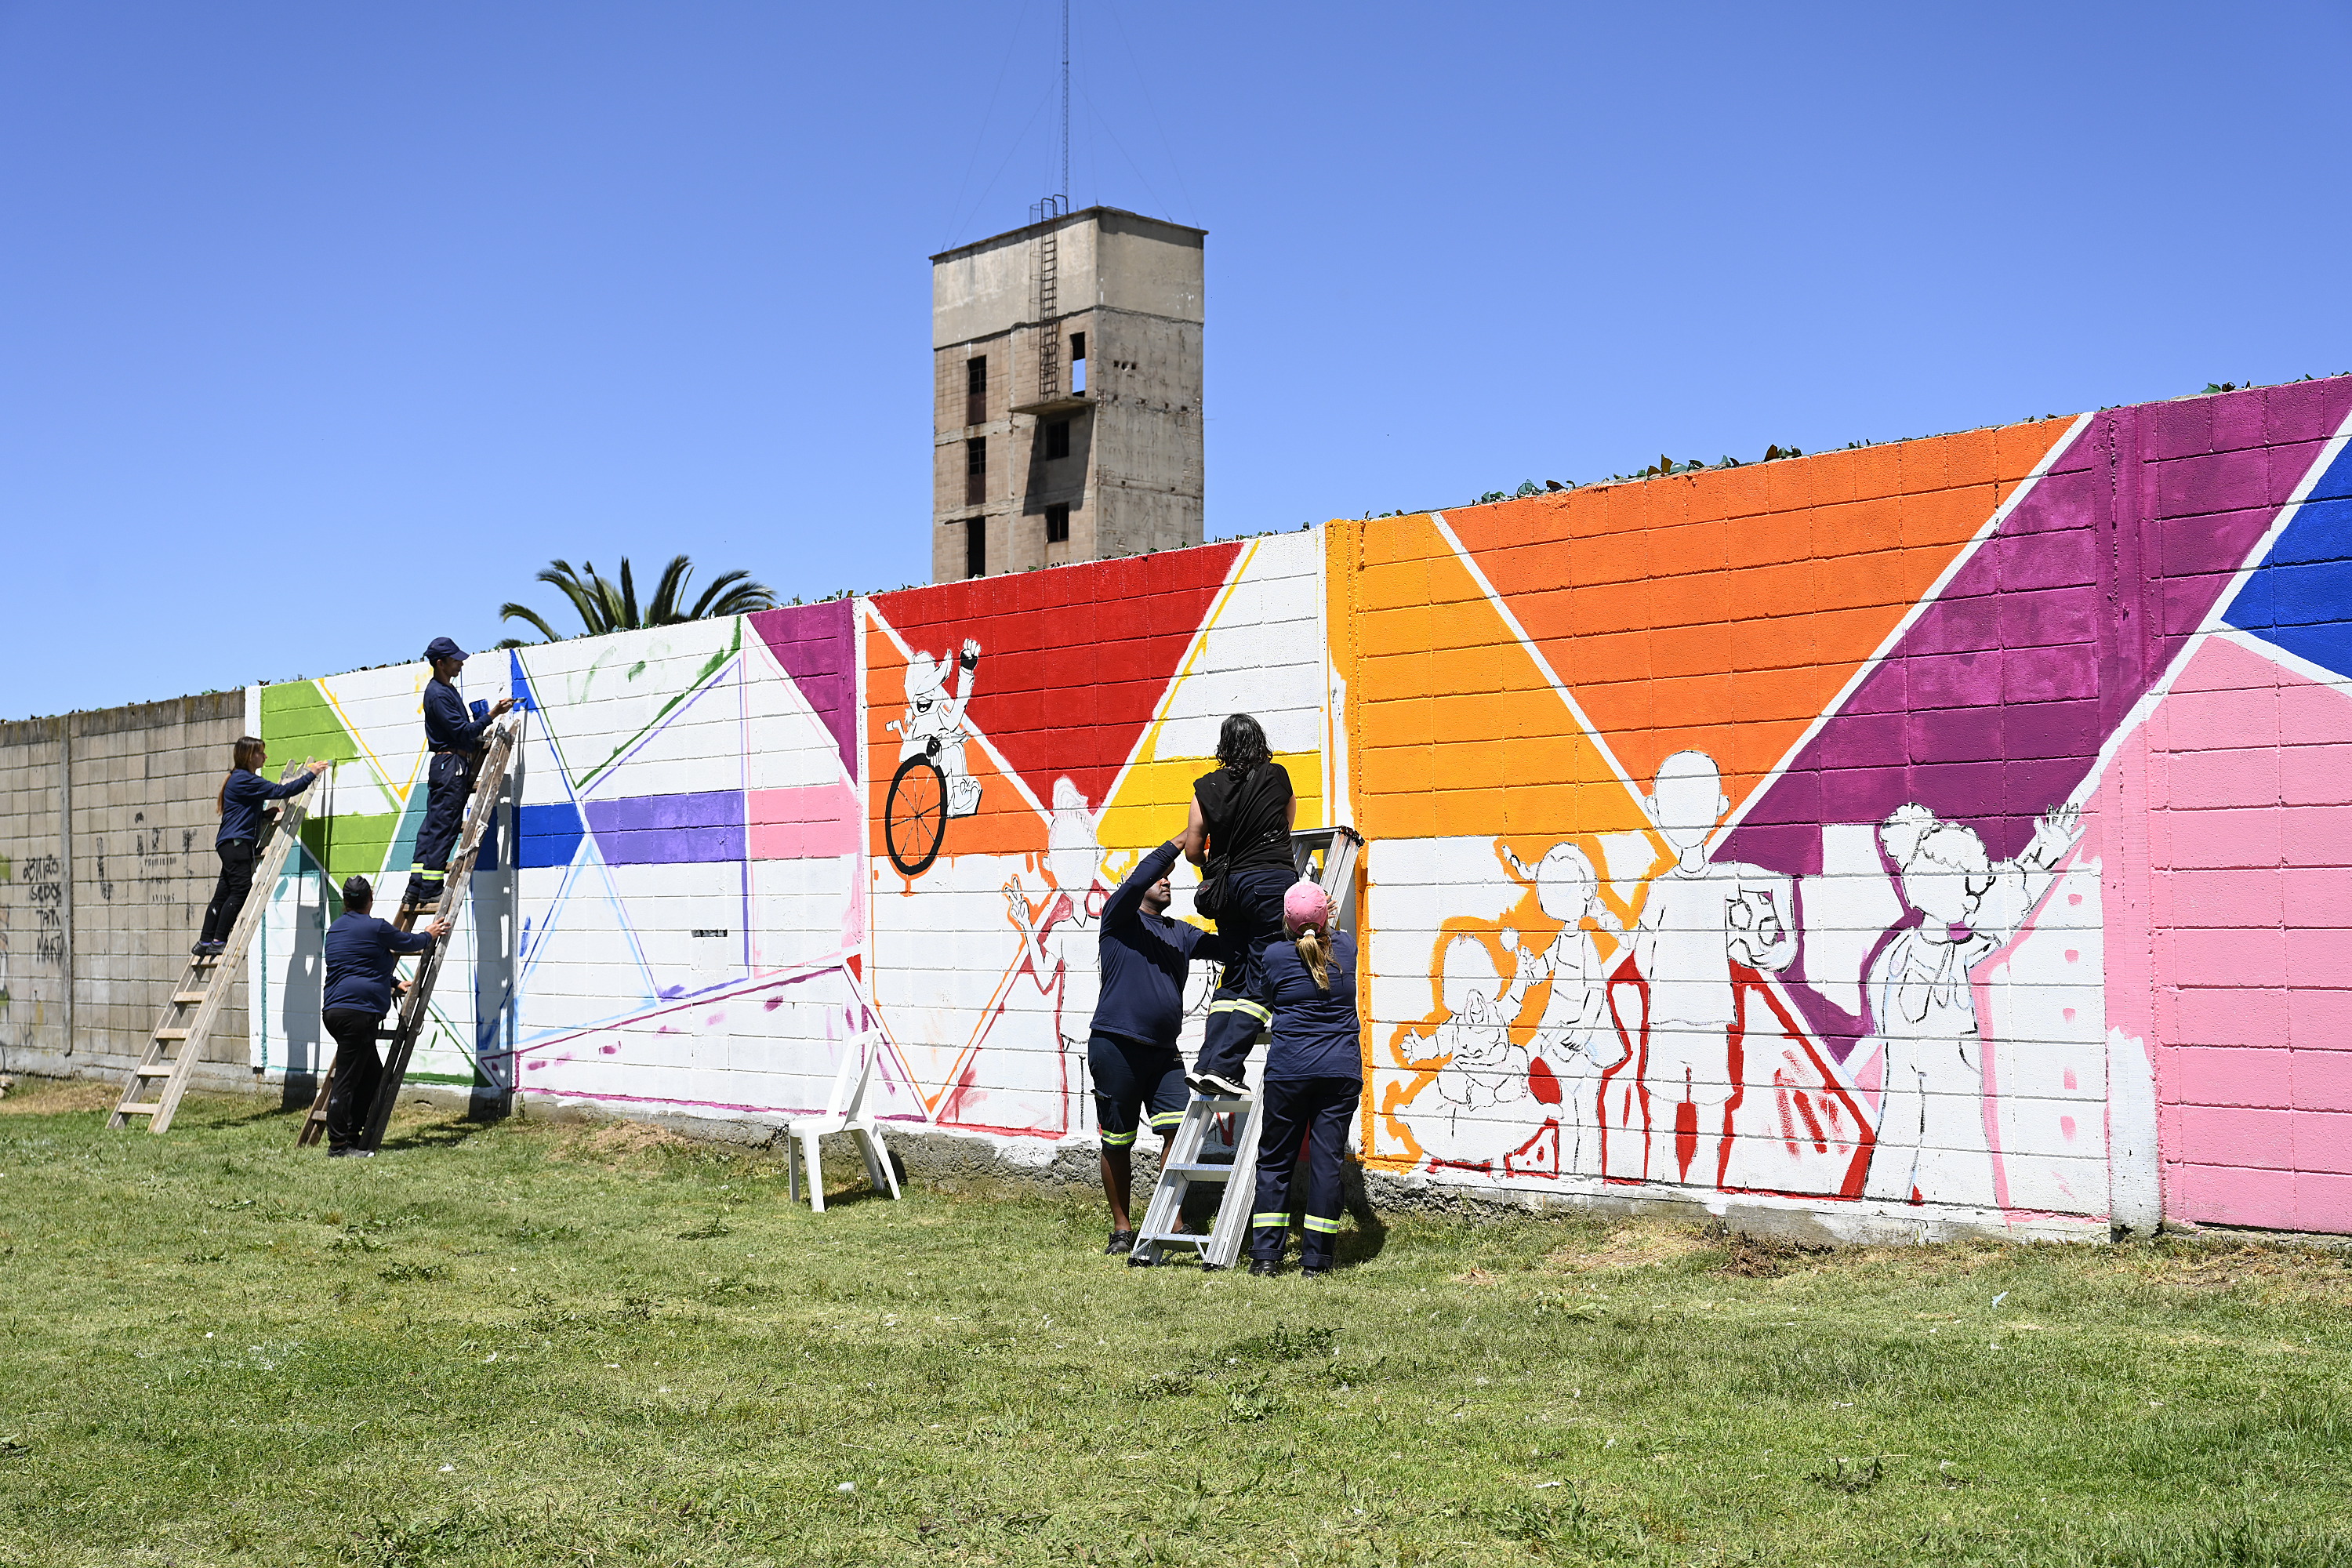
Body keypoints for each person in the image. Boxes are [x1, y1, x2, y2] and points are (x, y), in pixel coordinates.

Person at [1087, 837, 1232, 1259]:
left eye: (1170, 877)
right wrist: (1178, 844)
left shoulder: (1181, 933)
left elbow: (1227, 948)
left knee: (1177, 1132)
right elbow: (1136, 883)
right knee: (1118, 1141)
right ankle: (1122, 1227)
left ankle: (1171, 1218)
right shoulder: (1119, 920)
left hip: (1164, 1055)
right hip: (1116, 1047)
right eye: (1160, 877)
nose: (1166, 881)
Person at [1247, 880, 1362, 1278]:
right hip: (1340, 1071)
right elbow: (1335, 936)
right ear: (1326, 916)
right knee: (1326, 1163)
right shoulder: (1346, 949)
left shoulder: (1275, 955)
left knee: (1276, 1160)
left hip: (1290, 1071)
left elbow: (1265, 993)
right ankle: (1316, 1261)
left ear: (1286, 921)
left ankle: (1266, 1257)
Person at [1178, 713, 1297, 1097]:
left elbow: (1194, 851)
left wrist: (1224, 853)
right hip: (1270, 885)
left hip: (1230, 891)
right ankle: (1227, 1066)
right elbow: (1287, 824)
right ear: (1259, 742)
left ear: (1223, 747)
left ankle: (1206, 1063)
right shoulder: (1277, 776)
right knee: (1264, 976)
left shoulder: (1204, 789)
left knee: (1234, 975)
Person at [321, 875, 448, 1157]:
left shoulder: (335, 930)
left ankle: (352, 1136)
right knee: (347, 1081)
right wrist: (430, 933)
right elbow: (408, 942)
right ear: (370, 900)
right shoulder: (376, 927)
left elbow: (356, 965)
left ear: (345, 902)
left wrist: (391, 984)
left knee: (371, 1078)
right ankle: (338, 1147)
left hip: (335, 1011)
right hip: (358, 1014)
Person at [401, 637, 514, 913]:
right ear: (440, 664)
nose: (460, 663)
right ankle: (429, 889)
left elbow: (460, 730)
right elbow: (461, 732)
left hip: (448, 763)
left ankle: (416, 886)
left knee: (431, 828)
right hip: (451, 765)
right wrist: (491, 715)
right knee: (445, 828)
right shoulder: (438, 694)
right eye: (455, 660)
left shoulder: (445, 690)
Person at [194, 738, 328, 956]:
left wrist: (265, 814)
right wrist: (311, 773)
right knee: (241, 891)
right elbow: (283, 791)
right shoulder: (245, 779)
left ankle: (205, 940)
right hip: (237, 844)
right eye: (261, 753)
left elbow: (242, 810)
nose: (265, 757)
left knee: (223, 893)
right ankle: (219, 940)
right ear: (249, 756)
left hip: (229, 843)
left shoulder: (237, 780)